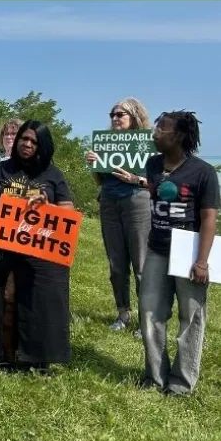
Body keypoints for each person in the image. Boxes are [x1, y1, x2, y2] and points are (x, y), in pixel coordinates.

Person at [0, 120, 75, 374]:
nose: (27, 144)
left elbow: (68, 211)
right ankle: (7, 355)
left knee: (38, 303)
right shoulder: (0, 170)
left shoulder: (53, 175)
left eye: (34, 141)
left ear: (43, 146)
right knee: (8, 299)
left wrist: (46, 207)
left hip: (41, 251)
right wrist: (7, 214)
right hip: (5, 246)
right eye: (24, 138)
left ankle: (38, 358)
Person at [138, 111, 219, 396]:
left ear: (180, 136)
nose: (155, 132)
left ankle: (181, 383)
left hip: (189, 254)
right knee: (149, 313)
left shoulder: (203, 172)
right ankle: (154, 378)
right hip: (157, 250)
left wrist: (201, 261)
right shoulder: (153, 164)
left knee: (191, 318)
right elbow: (152, 195)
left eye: (162, 128)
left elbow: (209, 218)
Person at [85, 98, 152, 333]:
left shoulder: (148, 143)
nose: (114, 118)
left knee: (141, 263)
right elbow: (100, 180)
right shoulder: (105, 142)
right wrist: (94, 164)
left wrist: (135, 179)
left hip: (137, 201)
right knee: (116, 264)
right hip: (109, 201)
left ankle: (146, 321)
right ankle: (123, 314)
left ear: (134, 117)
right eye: (112, 114)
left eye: (120, 114)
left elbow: (156, 181)